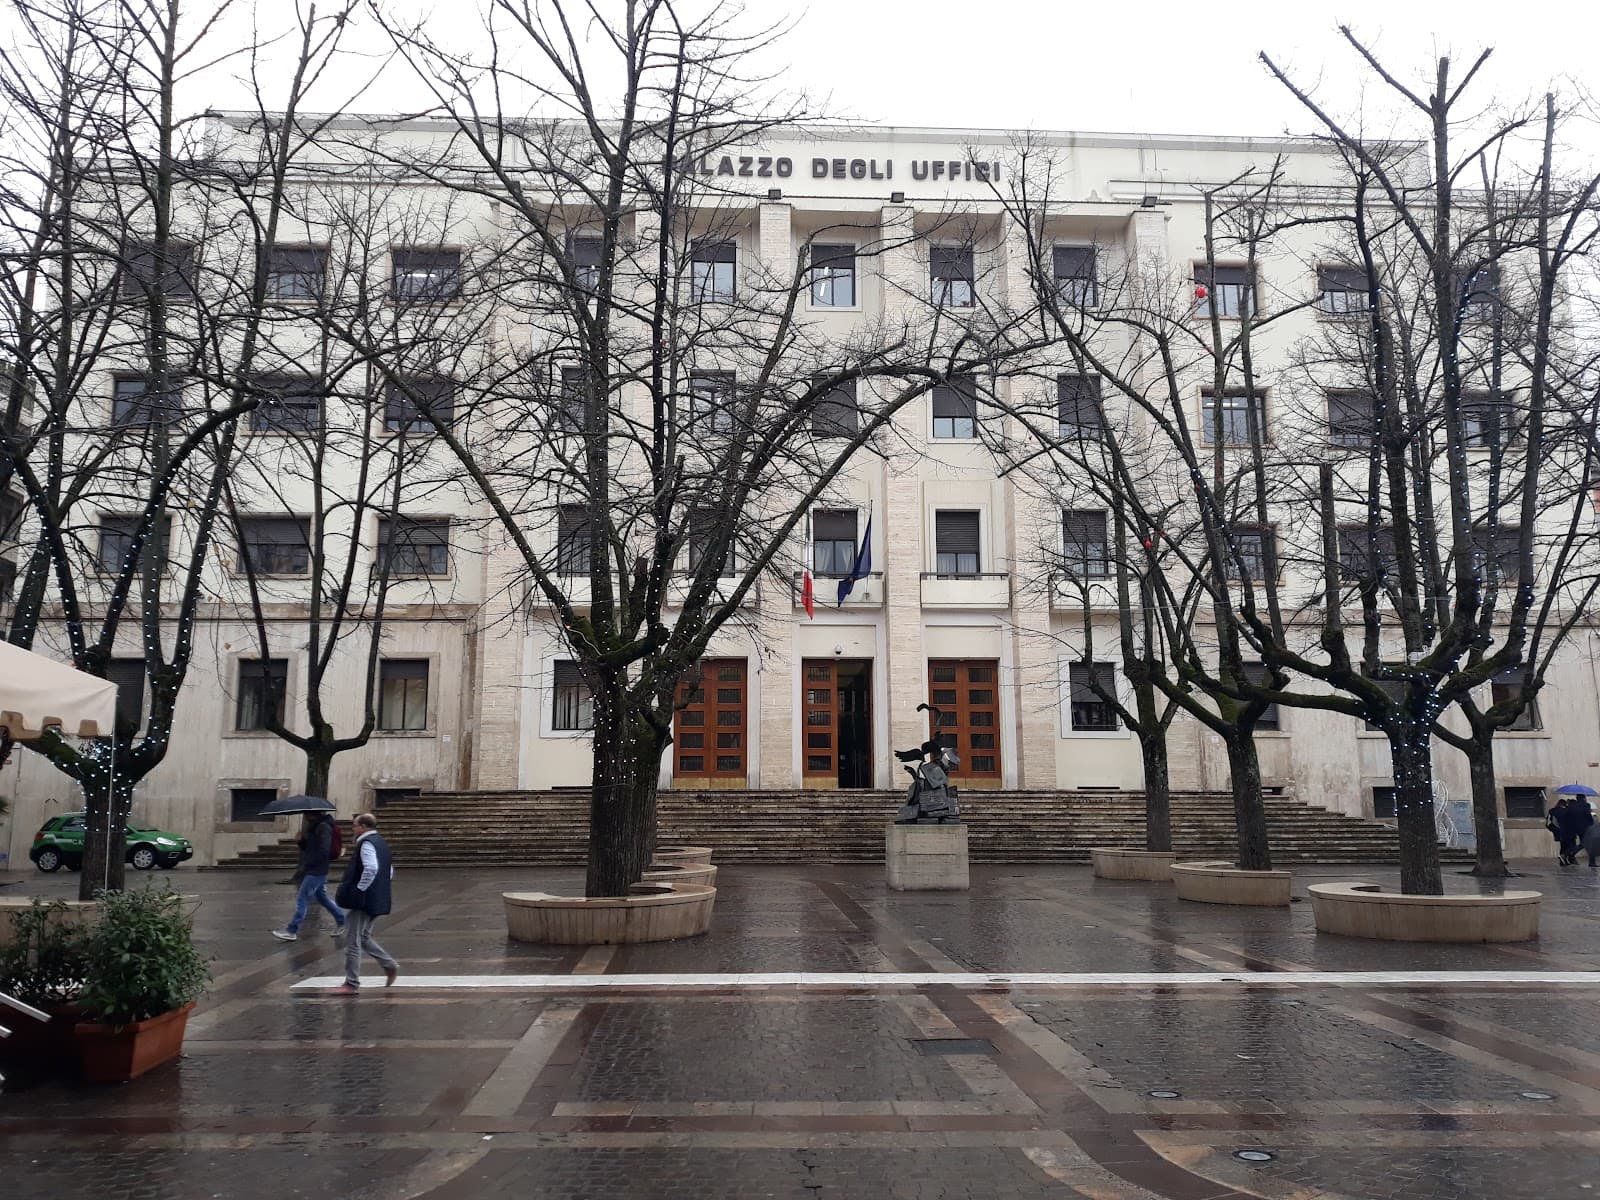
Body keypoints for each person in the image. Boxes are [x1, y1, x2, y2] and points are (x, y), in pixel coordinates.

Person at [331, 812, 398, 995]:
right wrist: (380, 889)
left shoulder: (366, 843)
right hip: (377, 898)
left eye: (354, 826)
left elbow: (372, 868)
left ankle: (351, 983)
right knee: (363, 937)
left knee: (353, 940)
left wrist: (360, 889)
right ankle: (389, 964)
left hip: (364, 899)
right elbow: (389, 871)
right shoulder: (381, 843)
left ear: (363, 827)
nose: (353, 829)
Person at [271, 812, 345, 942]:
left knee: (302, 898)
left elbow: (323, 850)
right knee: (322, 898)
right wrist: (301, 841)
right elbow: (310, 848)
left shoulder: (323, 827)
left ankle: (291, 930)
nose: (304, 815)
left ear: (312, 814)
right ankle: (342, 920)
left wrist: (311, 863)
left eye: (306, 813)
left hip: (316, 870)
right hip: (316, 869)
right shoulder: (315, 826)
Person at [1570, 796, 1596, 867]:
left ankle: (1571, 853)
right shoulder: (1586, 805)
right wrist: (1592, 823)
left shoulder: (1573, 806)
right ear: (1584, 798)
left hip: (1577, 828)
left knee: (1584, 844)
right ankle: (1570, 853)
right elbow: (1588, 816)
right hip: (1586, 828)